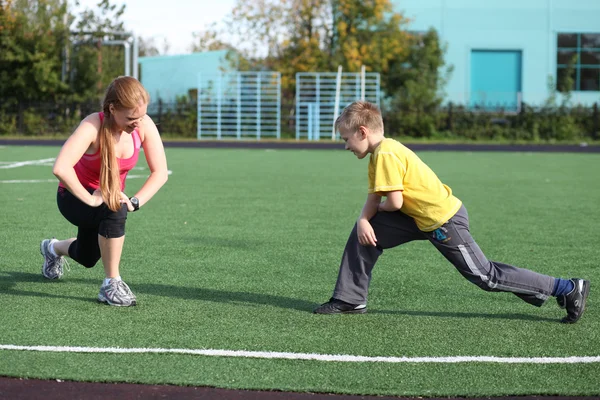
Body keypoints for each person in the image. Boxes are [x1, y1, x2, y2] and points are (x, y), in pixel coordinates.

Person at [313, 101, 590, 323]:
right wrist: (363, 220)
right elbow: (375, 196)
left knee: (486, 276)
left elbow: (393, 203)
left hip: (442, 221)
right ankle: (350, 299)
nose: (346, 146)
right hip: (417, 217)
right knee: (364, 234)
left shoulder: (385, 153)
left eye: (346, 139)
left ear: (362, 132)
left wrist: (370, 217)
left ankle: (567, 288)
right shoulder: (381, 151)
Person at [40, 76, 168, 307]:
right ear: (112, 108)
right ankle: (111, 285)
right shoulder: (92, 125)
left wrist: (136, 201)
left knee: (87, 257)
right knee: (114, 207)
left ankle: (52, 248)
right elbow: (61, 167)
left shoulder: (143, 125)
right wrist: (90, 198)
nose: (137, 122)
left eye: (141, 116)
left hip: (106, 199)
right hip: (73, 197)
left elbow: (159, 172)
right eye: (131, 118)